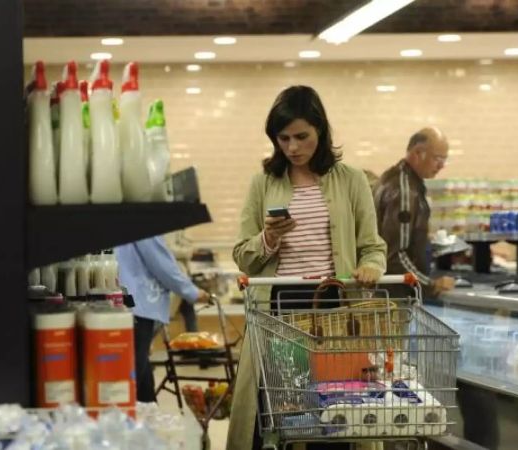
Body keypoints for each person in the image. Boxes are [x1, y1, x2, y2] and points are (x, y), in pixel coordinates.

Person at [227, 85, 386, 450]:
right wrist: (268, 239)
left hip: (336, 309)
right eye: (283, 138)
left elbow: (372, 246)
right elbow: (242, 255)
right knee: (286, 414)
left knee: (338, 411)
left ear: (321, 131)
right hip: (279, 311)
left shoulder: (351, 180)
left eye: (302, 136)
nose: (293, 147)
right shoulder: (263, 183)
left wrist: (371, 266)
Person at [115, 236, 211, 403]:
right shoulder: (143, 219)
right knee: (132, 378)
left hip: (120, 304)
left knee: (141, 377)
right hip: (138, 306)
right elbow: (162, 264)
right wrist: (193, 292)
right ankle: (130, 422)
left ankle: (148, 415)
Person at [373, 127, 455, 298]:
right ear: (418, 153)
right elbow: (395, 254)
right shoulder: (405, 190)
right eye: (437, 158)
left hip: (384, 293)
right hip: (393, 296)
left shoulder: (398, 179)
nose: (441, 165)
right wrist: (429, 284)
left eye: (444, 159)